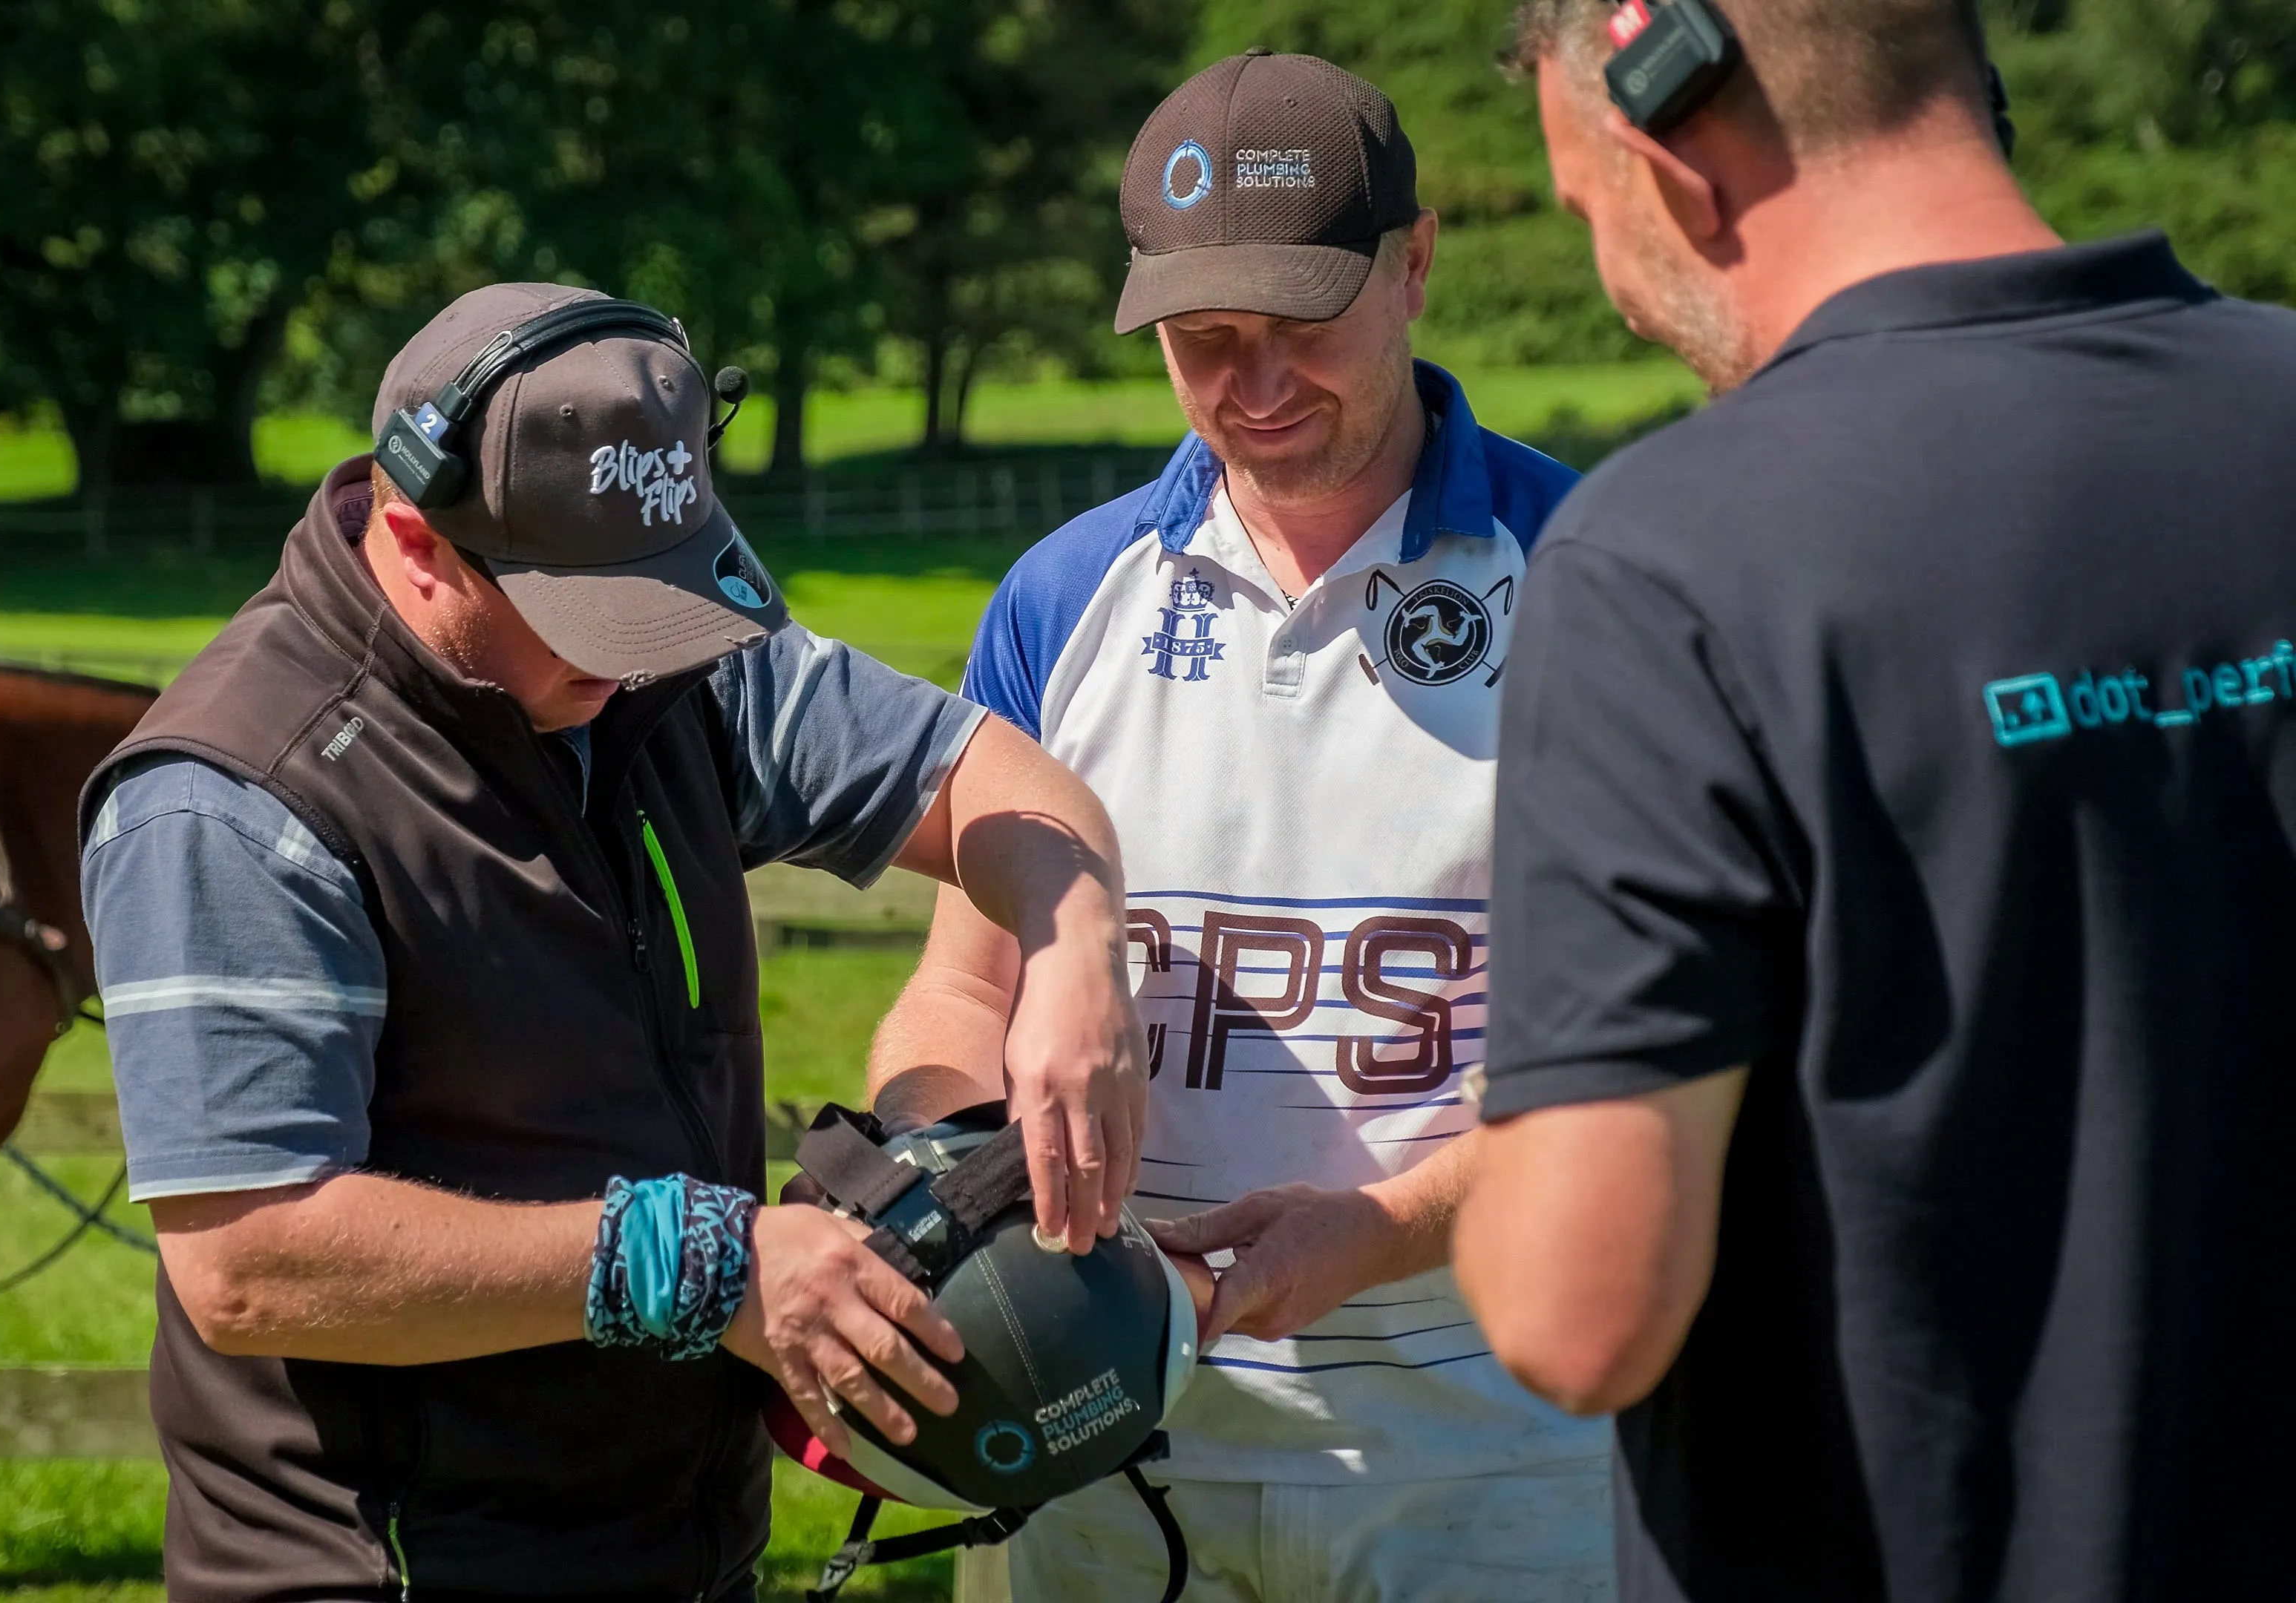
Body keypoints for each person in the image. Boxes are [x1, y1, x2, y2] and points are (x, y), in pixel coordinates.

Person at [76, 282, 1149, 1603]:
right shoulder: (241, 801)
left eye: (666, 600)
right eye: (591, 617)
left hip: (674, 1547)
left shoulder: (672, 669)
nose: (637, 658)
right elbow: (249, 1258)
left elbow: (995, 783)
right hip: (393, 1567)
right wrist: (707, 1265)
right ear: (416, 541)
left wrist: (1077, 943)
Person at [1453, 1, 2296, 1599]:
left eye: (1589, 218)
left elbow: (1582, 1318)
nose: (1621, 297)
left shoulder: (1672, 560)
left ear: (1667, 144)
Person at [869, 50, 1613, 1601]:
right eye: (1204, 343)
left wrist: (1384, 1230)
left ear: (1414, 267)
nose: (1255, 388)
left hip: (1492, 1443)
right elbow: (958, 989)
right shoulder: (1063, 597)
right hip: (1093, 1443)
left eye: (1301, 329)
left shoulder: (1604, 578)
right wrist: (955, 1168)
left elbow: (1659, 1067)